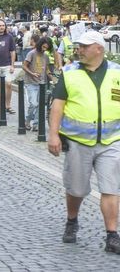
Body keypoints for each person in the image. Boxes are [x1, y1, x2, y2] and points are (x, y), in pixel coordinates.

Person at [47, 31, 120, 254]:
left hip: (111, 140)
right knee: (76, 189)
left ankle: (112, 235)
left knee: (111, 188)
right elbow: (57, 106)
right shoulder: (69, 73)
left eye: (84, 46)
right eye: (79, 46)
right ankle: (72, 220)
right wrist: (53, 134)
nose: (79, 49)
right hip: (79, 142)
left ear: (99, 48)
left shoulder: (117, 72)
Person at [22, 36, 52, 131]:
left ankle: (36, 124)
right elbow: (24, 66)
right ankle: (27, 121)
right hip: (31, 83)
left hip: (42, 83)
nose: (45, 49)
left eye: (46, 48)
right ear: (40, 45)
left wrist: (52, 78)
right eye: (43, 47)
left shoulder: (46, 56)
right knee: (33, 104)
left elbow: (46, 69)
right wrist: (32, 74)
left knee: (41, 105)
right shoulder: (32, 53)